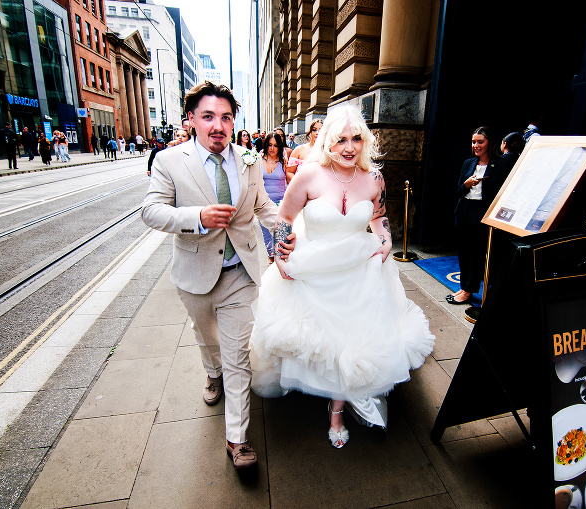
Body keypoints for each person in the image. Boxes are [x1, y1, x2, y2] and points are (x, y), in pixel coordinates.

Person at [250, 105, 435, 448]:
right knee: (324, 341)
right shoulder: (309, 174)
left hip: (360, 269)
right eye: (340, 140)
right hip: (315, 271)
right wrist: (280, 255)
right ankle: (331, 400)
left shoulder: (374, 178)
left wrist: (386, 240)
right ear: (326, 142)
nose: (349, 148)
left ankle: (337, 407)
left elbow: (379, 216)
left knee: (353, 337)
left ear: (365, 141)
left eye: (356, 139)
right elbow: (284, 217)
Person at [141, 81, 294, 469]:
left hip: (240, 271)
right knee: (206, 337)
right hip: (194, 272)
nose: (218, 125)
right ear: (191, 119)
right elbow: (151, 211)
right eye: (208, 116)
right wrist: (197, 217)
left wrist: (284, 231)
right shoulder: (169, 161)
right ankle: (212, 373)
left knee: (238, 356)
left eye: (226, 117)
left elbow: (263, 205)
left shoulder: (249, 160)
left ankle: (237, 440)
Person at [447, 126, 508, 305]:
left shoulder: (499, 164)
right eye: (474, 142)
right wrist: (466, 184)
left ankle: (469, 291)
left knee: (476, 254)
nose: (476, 145)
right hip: (464, 210)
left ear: (490, 143)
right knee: (464, 252)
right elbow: (458, 191)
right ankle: (463, 287)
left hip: (482, 212)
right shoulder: (468, 163)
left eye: (480, 142)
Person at [259, 132, 287, 263]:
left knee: (280, 233)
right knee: (266, 234)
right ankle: (271, 259)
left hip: (281, 202)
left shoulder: (283, 161)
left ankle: (279, 259)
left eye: (275, 145)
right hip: (263, 203)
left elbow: (289, 180)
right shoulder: (259, 160)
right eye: (270, 145)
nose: (272, 148)